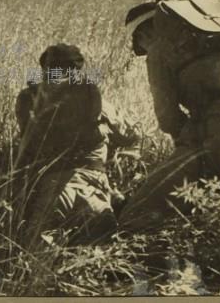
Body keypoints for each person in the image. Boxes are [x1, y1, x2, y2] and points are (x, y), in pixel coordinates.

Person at [119, 0, 220, 232]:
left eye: (138, 41)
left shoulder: (159, 50)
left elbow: (168, 118)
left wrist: (185, 141)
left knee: (138, 211)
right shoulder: (206, 36)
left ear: (143, 34)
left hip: (218, 130)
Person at [14, 44, 138, 249]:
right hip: (93, 185)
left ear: (46, 69)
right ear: (77, 69)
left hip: (51, 188)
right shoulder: (96, 100)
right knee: (107, 253)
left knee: (36, 252)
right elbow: (130, 138)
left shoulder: (28, 99)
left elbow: (26, 141)